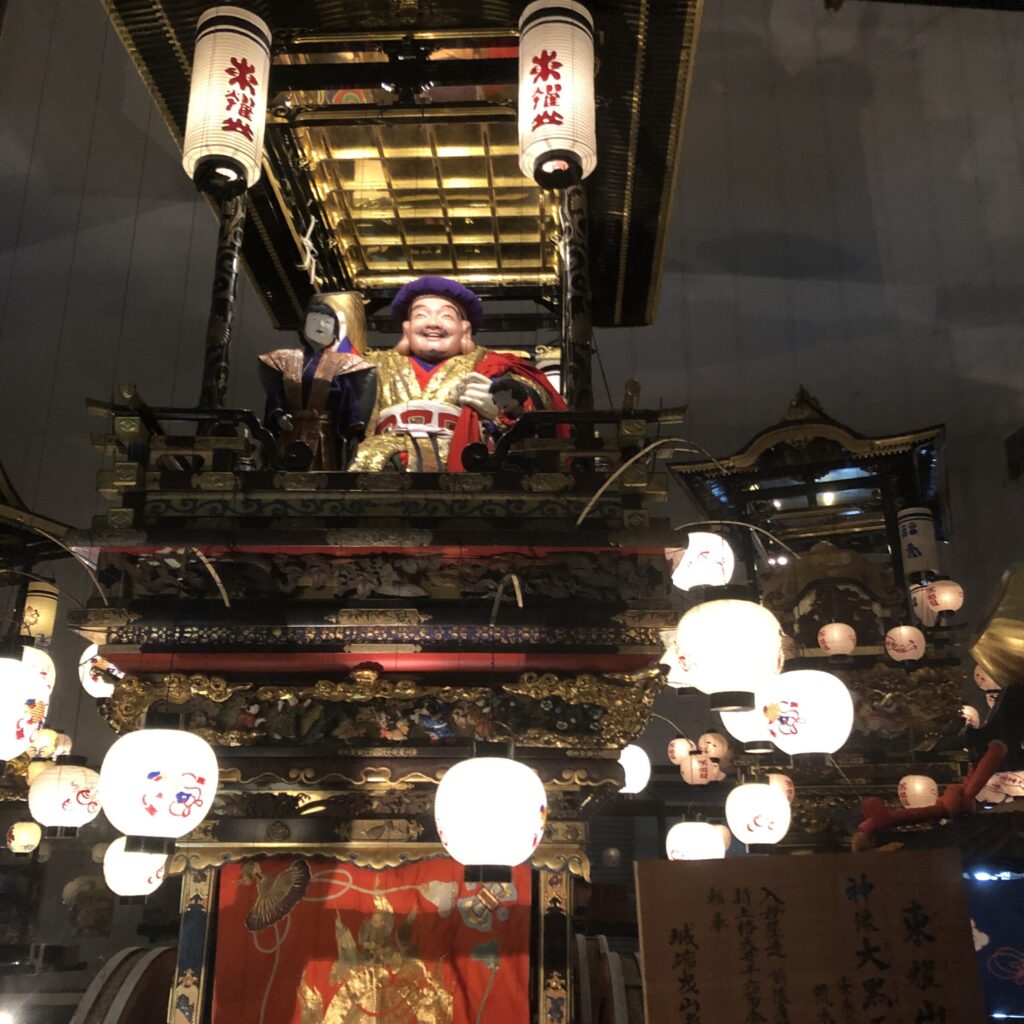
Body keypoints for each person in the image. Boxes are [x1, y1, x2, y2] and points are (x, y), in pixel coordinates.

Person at [349, 275, 565, 472]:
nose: (433, 324)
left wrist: (501, 412)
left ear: (464, 329)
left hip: (466, 460)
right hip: (383, 462)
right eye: (421, 315)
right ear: (407, 328)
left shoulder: (490, 364)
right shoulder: (375, 364)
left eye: (447, 317)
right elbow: (343, 409)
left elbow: (539, 404)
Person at [258, 293, 376, 470]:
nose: (320, 325)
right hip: (290, 430)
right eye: (314, 321)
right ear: (303, 328)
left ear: (335, 331)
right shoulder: (284, 359)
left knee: (321, 470)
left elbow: (348, 402)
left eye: (327, 322)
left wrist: (353, 429)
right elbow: (276, 394)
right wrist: (278, 414)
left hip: (323, 433)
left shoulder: (344, 363)